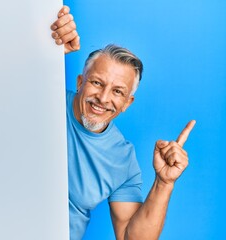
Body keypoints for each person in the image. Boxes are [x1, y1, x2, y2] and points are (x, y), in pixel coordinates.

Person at [50, 6, 196, 240]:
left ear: (127, 103)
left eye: (117, 91)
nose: (104, 98)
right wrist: (44, 51)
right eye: (97, 83)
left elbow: (132, 238)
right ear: (80, 82)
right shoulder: (44, 99)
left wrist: (164, 182)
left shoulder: (122, 160)